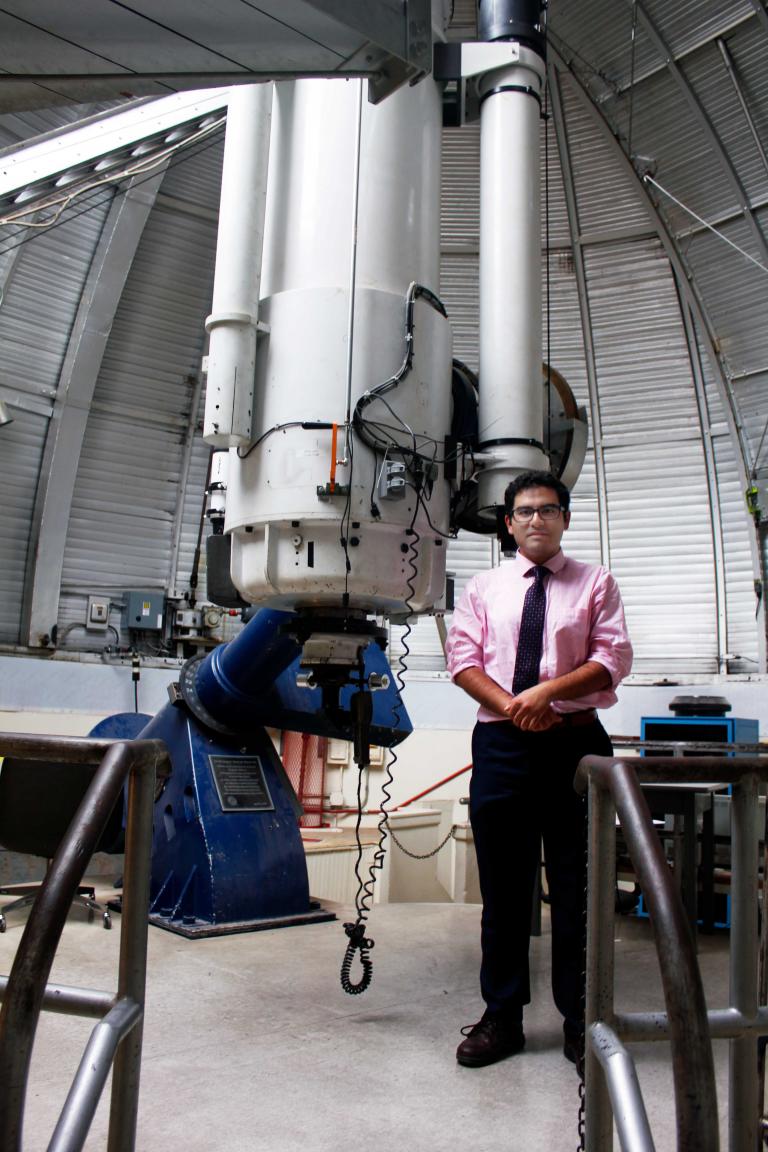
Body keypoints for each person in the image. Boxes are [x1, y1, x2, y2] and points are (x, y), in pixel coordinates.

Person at [445, 469, 632, 1071]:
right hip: (503, 745)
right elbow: (463, 660)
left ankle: (583, 1021)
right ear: (508, 522)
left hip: (575, 748)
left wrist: (546, 693)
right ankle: (502, 1019)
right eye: (524, 511)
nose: (535, 520)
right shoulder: (482, 587)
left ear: (565, 519)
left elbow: (611, 659)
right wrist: (515, 707)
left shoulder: (595, 583)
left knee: (580, 890)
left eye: (548, 510)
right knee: (503, 891)